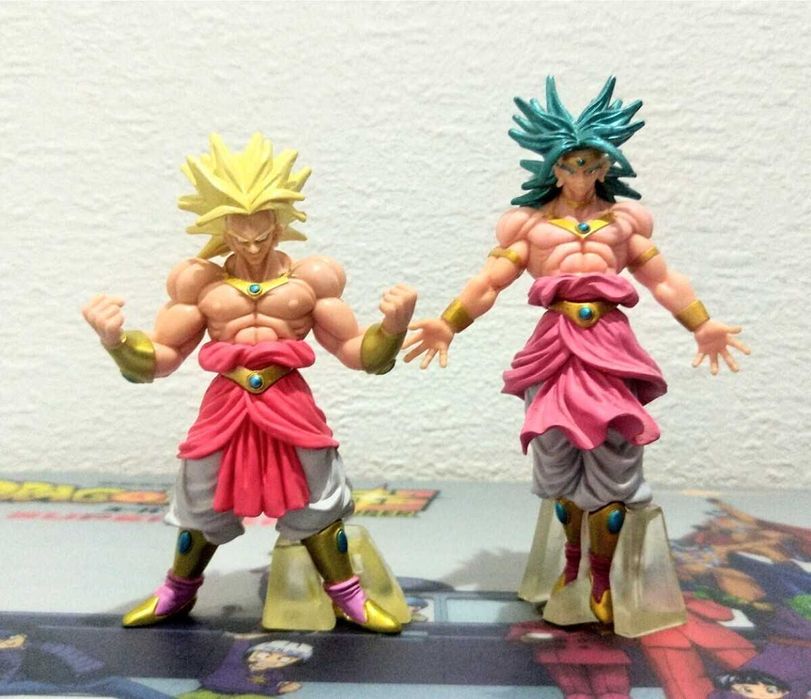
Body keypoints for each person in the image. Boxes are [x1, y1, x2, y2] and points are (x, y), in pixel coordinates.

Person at [404, 77, 749, 625]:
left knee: (615, 459)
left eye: (592, 166)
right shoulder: (531, 227)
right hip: (556, 347)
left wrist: (702, 325)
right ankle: (570, 568)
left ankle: (604, 581)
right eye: (571, 166)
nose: (582, 177)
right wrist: (448, 324)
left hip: (610, 347)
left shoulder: (624, 224)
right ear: (553, 168)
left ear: (607, 167)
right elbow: (489, 282)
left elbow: (662, 280)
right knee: (559, 458)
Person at [84, 133, 416, 634]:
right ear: (221, 228)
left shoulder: (312, 279)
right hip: (226, 404)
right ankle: (177, 592)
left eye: (262, 235)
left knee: (318, 498)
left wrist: (392, 328)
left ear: (280, 224)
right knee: (200, 498)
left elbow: (356, 353)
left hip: (289, 401)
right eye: (240, 236)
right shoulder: (199, 283)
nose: (253, 246)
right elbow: (161, 359)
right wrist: (116, 340)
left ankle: (348, 597)